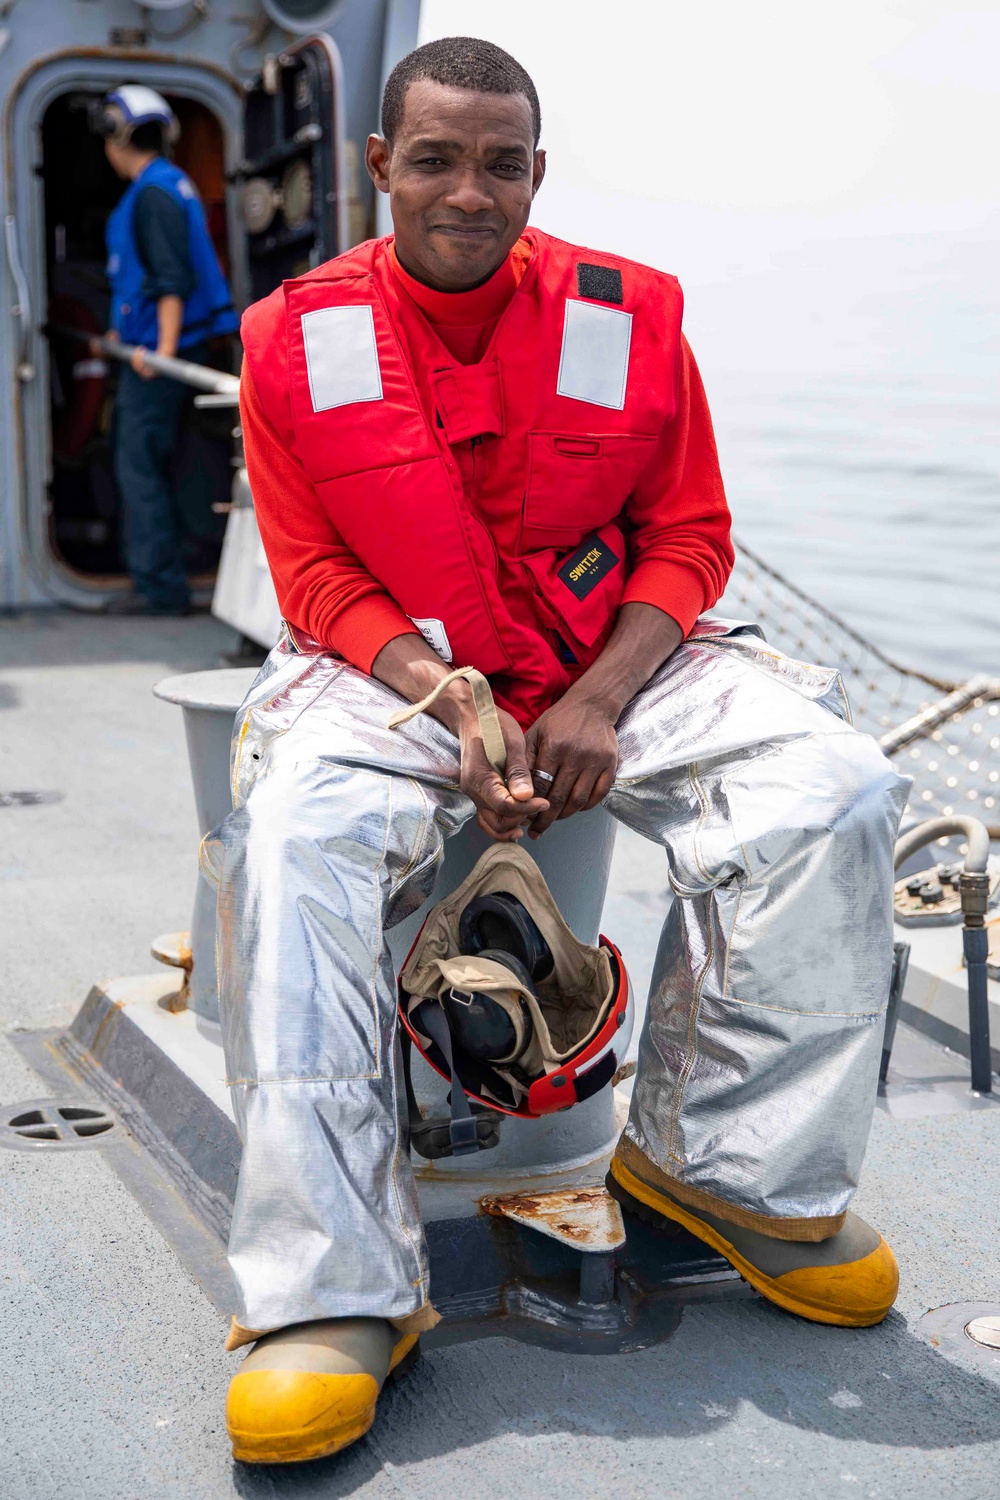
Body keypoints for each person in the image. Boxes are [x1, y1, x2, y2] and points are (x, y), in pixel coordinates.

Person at [209, 37, 909, 1466]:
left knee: (833, 788)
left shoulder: (631, 316)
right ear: (379, 166)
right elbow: (317, 579)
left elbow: (690, 535)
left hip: (611, 663)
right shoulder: (293, 337)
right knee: (299, 842)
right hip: (396, 670)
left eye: (504, 161)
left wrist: (596, 699)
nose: (472, 190)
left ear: (537, 168)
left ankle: (731, 1172)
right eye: (438, 159)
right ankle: (332, 1293)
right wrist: (447, 698)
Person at [94, 85, 238, 616]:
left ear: (117, 137)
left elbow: (170, 280)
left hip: (166, 355)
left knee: (138, 464)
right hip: (176, 347)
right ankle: (180, 570)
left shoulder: (152, 191)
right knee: (179, 459)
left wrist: (159, 352)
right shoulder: (173, 185)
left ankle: (159, 589)